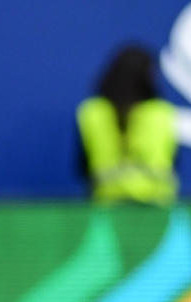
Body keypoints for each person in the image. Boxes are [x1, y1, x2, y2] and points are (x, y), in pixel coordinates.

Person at [76, 46, 179, 205]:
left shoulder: (91, 112)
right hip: (157, 208)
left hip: (106, 207)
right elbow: (174, 164)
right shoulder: (162, 113)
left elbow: (81, 168)